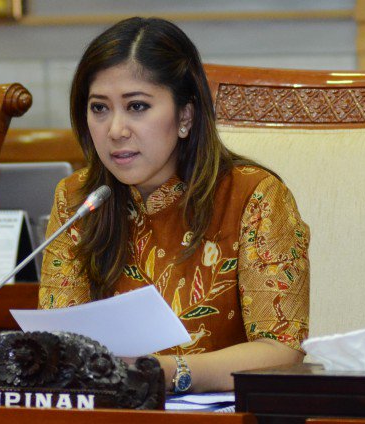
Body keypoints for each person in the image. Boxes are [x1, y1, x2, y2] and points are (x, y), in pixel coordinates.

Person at [39, 16, 310, 393]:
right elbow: (60, 341)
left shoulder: (254, 196)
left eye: (137, 106)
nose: (115, 130)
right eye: (99, 108)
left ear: (185, 115)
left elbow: (282, 350)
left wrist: (163, 373)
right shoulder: (78, 200)